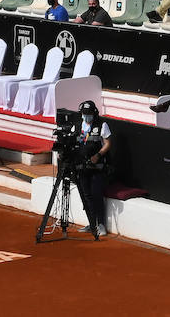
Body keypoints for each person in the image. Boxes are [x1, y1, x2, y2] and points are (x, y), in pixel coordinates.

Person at [70, 99, 112, 236]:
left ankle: (101, 225)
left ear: (94, 113)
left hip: (97, 167)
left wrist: (98, 155)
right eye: (84, 114)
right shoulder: (77, 126)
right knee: (86, 195)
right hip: (81, 167)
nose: (86, 116)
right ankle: (91, 223)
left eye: (88, 114)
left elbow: (107, 143)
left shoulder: (102, 125)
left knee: (96, 194)